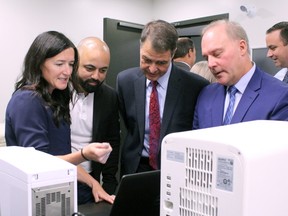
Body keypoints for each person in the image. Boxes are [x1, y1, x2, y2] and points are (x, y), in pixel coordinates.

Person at [5, 30, 113, 199]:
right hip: (38, 196)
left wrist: (94, 183)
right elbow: (40, 165)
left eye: (71, 64)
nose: (68, 71)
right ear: (39, 63)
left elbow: (59, 157)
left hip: (61, 189)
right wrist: (84, 154)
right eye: (59, 64)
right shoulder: (27, 100)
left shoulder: (55, 97)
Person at [116, 20, 209, 176]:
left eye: (161, 63)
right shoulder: (125, 81)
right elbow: (130, 126)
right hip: (136, 168)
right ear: (140, 48)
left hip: (178, 170)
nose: (152, 69)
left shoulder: (195, 87)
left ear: (172, 54)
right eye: (146, 60)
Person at [193, 19, 288, 130]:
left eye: (217, 54)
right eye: (206, 58)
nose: (210, 64)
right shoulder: (206, 94)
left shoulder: (280, 95)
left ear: (242, 47)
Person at [70, 37, 120, 205]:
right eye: (89, 68)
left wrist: (109, 184)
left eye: (103, 70)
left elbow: (112, 141)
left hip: (91, 183)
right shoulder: (57, 93)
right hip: (59, 175)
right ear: (75, 62)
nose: (96, 76)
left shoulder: (109, 97)